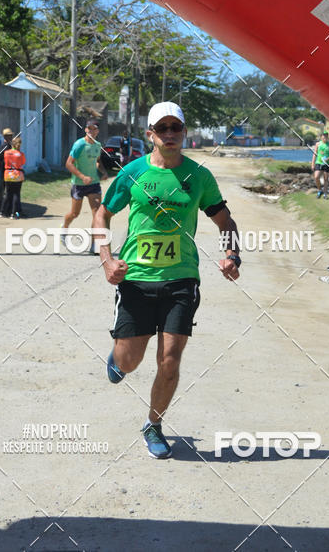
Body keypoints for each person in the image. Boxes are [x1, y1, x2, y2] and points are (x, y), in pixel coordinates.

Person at [93, 101, 241, 460]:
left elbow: (225, 221)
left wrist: (232, 254)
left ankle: (153, 425)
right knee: (130, 361)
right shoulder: (133, 173)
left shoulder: (199, 176)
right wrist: (107, 260)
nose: (170, 134)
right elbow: (102, 214)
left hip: (181, 279)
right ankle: (119, 359)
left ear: (184, 132)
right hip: (136, 279)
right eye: (163, 128)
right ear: (150, 134)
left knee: (170, 360)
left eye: (176, 128)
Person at [63, 120, 108, 253]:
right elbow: (68, 163)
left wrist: (103, 171)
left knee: (97, 214)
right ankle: (64, 227)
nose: (91, 131)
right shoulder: (79, 144)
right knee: (74, 213)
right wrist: (82, 177)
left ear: (97, 131)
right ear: (86, 130)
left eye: (94, 129)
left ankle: (94, 244)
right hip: (79, 184)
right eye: (89, 128)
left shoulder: (98, 145)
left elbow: (97, 161)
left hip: (94, 184)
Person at [0, 136, 26, 218]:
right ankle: (13, 214)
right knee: (16, 194)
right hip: (17, 175)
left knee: (8, 193)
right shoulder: (21, 154)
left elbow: (4, 161)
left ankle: (2, 212)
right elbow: (23, 162)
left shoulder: (6, 153)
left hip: (8, 175)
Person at [312, 131, 329, 199]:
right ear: (321, 137)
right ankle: (320, 190)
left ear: (327, 137)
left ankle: (325, 193)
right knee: (316, 177)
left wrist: (327, 159)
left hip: (327, 163)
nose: (325, 137)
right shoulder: (318, 144)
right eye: (323, 136)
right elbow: (314, 154)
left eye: (326, 136)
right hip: (318, 163)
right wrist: (312, 164)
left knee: (326, 179)